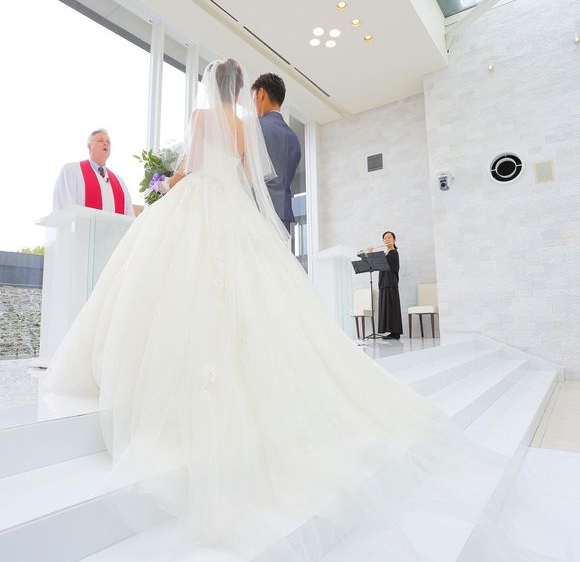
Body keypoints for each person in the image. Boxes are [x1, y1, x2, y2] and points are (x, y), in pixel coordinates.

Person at [43, 60, 562, 562]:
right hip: (235, 211)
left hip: (198, 202)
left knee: (175, 282)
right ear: (240, 90)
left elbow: (187, 169)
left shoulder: (201, 118)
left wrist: (165, 187)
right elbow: (250, 180)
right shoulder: (245, 128)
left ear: (210, 87)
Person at [252, 73, 301, 233]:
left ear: (261, 93)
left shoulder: (253, 127)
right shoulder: (294, 138)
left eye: (253, 98)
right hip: (282, 215)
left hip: (256, 210)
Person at [52, 129, 134, 217]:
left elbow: (130, 217)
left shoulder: (119, 183)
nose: (105, 143)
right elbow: (65, 210)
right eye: (100, 140)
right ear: (89, 146)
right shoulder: (71, 171)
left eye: (108, 142)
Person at [378, 231, 403, 340]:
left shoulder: (393, 253)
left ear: (394, 240)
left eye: (389, 237)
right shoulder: (386, 254)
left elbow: (386, 265)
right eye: (385, 238)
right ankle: (391, 332)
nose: (386, 239)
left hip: (391, 283)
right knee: (387, 307)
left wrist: (370, 253)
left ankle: (396, 333)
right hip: (384, 284)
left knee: (392, 307)